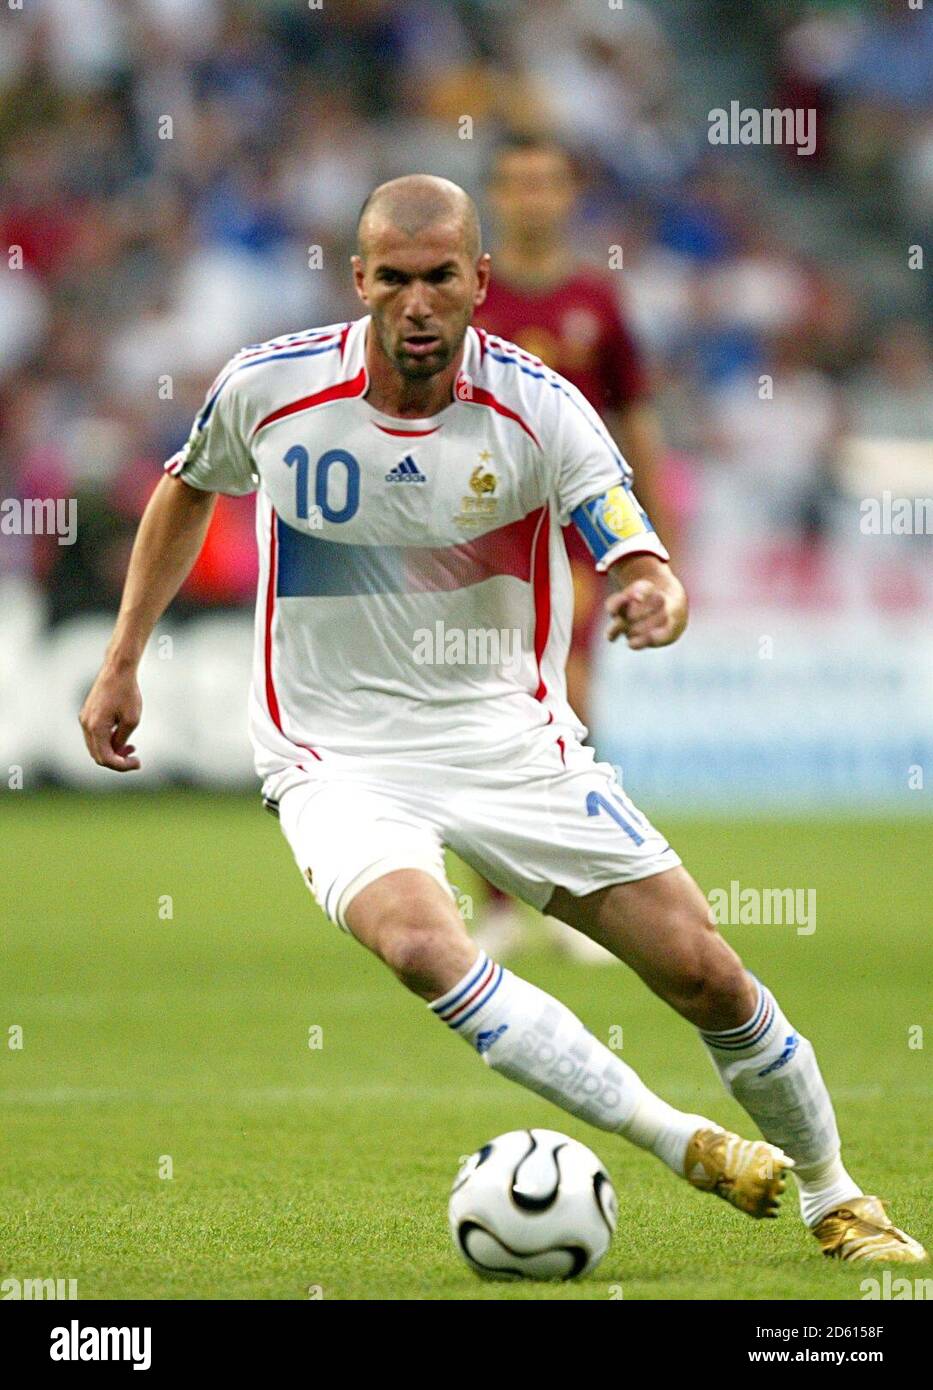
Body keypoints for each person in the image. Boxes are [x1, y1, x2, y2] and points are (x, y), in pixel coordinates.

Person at [80, 175, 924, 1264]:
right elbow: (187, 486)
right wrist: (121, 660)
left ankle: (835, 1192)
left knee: (705, 971)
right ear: (360, 281)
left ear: (480, 281)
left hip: (507, 743)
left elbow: (630, 535)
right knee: (425, 945)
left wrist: (655, 586)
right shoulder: (268, 388)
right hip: (337, 755)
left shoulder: (542, 404)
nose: (418, 303)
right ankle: (685, 1145)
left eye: (441, 279)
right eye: (395, 279)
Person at [473, 133, 675, 961]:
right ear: (495, 195)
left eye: (546, 183)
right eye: (515, 183)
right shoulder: (464, 300)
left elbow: (635, 422)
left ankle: (582, 895)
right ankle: (496, 902)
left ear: (566, 195)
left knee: (570, 702)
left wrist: (656, 544)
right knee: (487, 711)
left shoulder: (595, 300)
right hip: (476, 541)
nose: (531, 198)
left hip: (572, 542)